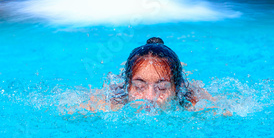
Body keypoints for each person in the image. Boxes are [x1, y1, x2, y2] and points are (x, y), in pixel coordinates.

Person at [80, 37, 211, 112]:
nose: (149, 97)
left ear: (176, 89)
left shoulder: (190, 99)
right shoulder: (115, 98)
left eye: (162, 88)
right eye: (139, 86)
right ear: (128, 86)